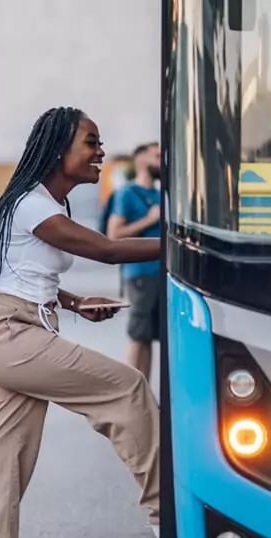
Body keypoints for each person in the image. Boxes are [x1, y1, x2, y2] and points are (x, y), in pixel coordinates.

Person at [0, 108, 162, 538]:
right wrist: (193, 246)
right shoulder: (29, 204)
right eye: (91, 142)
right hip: (10, 335)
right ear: (60, 148)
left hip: (18, 328)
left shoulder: (39, 204)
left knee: (3, 466)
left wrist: (75, 300)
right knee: (127, 388)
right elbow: (106, 249)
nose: (101, 152)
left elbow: (17, 272)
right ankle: (165, 514)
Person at [107, 142, 161, 378]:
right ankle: (131, 396)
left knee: (149, 338)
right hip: (140, 274)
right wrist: (149, 220)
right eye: (157, 156)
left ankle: (144, 396)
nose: (162, 161)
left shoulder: (160, 194)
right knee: (138, 337)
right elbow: (114, 234)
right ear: (141, 161)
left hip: (163, 274)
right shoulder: (126, 193)